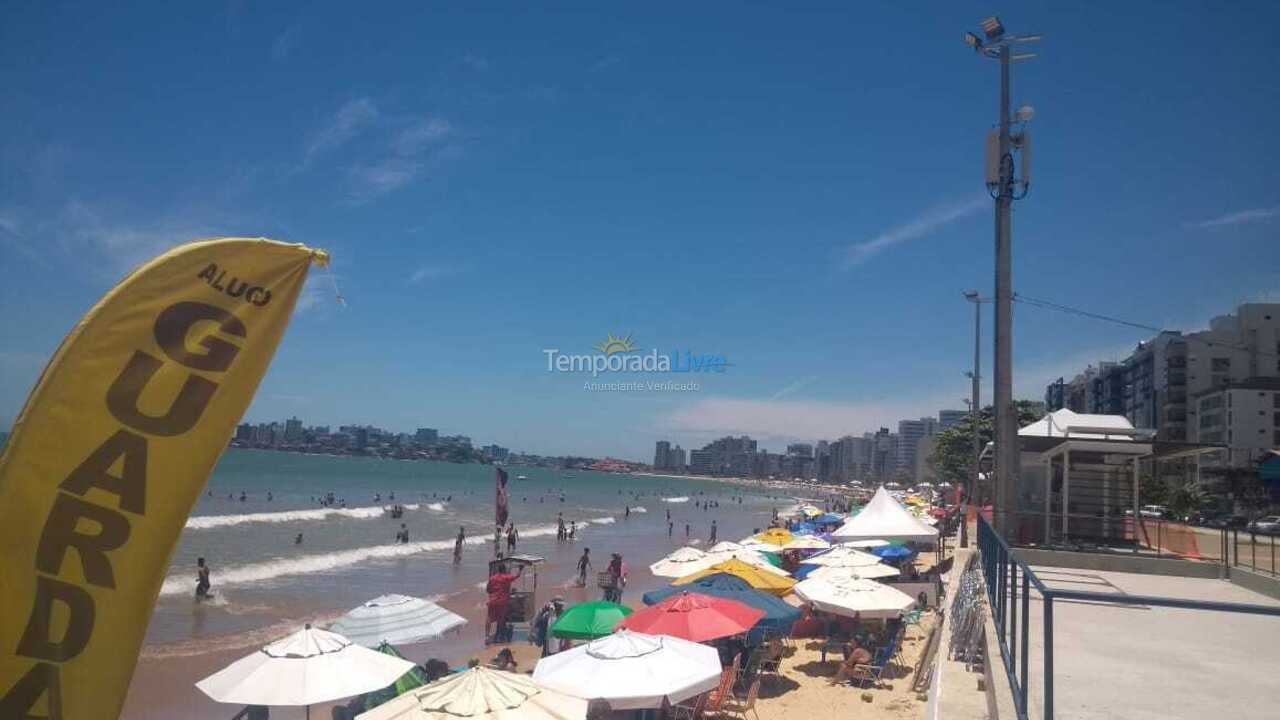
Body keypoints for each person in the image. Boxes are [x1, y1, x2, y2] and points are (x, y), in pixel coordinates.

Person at [485, 563, 523, 643]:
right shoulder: (506, 577)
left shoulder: (492, 578)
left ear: (498, 570)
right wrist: (520, 569)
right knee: (501, 619)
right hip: (502, 601)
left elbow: (488, 590)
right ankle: (499, 636)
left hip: (492, 601)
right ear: (504, 570)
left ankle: (487, 636)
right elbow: (516, 576)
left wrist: (494, 592)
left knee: (489, 618)